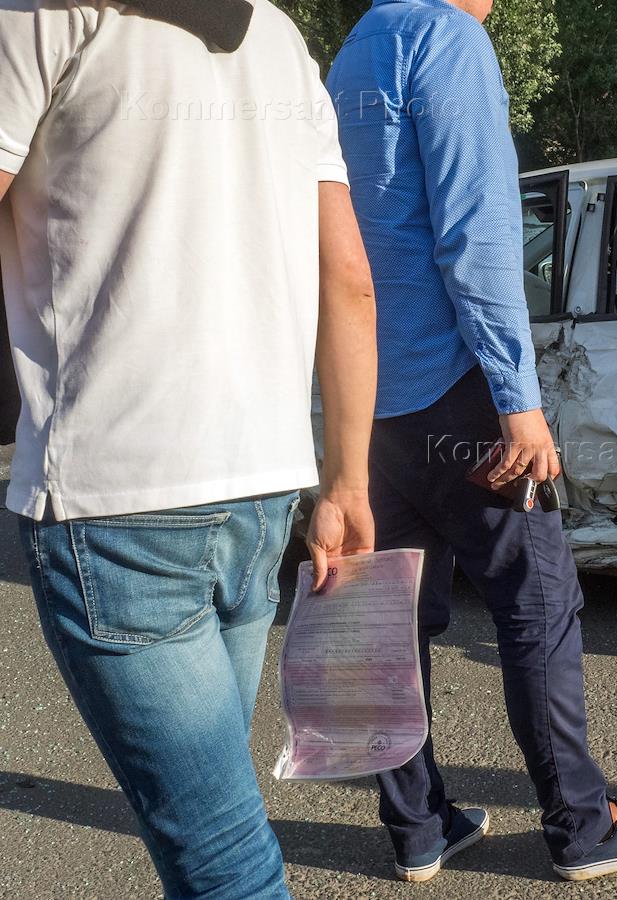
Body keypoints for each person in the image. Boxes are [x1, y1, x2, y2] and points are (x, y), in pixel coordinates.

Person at [0, 2, 376, 897]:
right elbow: (349, 279)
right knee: (209, 831)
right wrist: (348, 481)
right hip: (263, 491)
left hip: (119, 493)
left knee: (223, 861)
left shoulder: (41, 16)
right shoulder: (281, 40)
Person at [327, 0, 617, 884]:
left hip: (368, 396)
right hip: (456, 389)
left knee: (388, 620)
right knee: (538, 605)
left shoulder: (352, 53)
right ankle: (584, 827)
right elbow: (478, 235)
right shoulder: (447, 38)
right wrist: (517, 400)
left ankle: (418, 828)